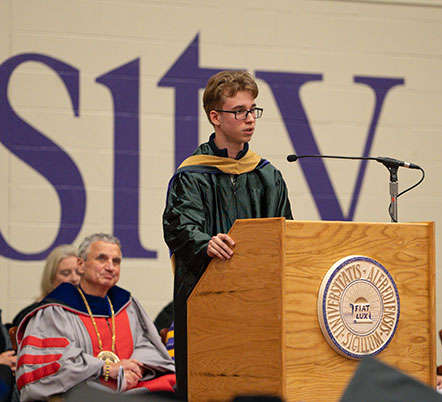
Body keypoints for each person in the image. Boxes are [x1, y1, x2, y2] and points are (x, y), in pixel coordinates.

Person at [163, 70, 293, 398]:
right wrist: (206, 243)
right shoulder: (192, 175)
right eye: (239, 111)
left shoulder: (268, 176)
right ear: (215, 117)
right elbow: (179, 228)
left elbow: (286, 232)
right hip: (207, 300)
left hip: (258, 304)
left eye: (253, 110)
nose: (249, 119)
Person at [15, 233, 175, 401]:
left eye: (116, 261)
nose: (110, 267)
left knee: (173, 386)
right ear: (81, 265)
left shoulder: (127, 305)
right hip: (82, 391)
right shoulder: (56, 309)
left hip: (131, 387)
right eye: (102, 259)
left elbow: (146, 345)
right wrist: (107, 369)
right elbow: (54, 363)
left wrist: (135, 369)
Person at [11, 244, 80, 327]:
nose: (75, 278)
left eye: (79, 272)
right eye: (66, 273)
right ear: (51, 277)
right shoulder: (34, 314)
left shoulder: (91, 310)